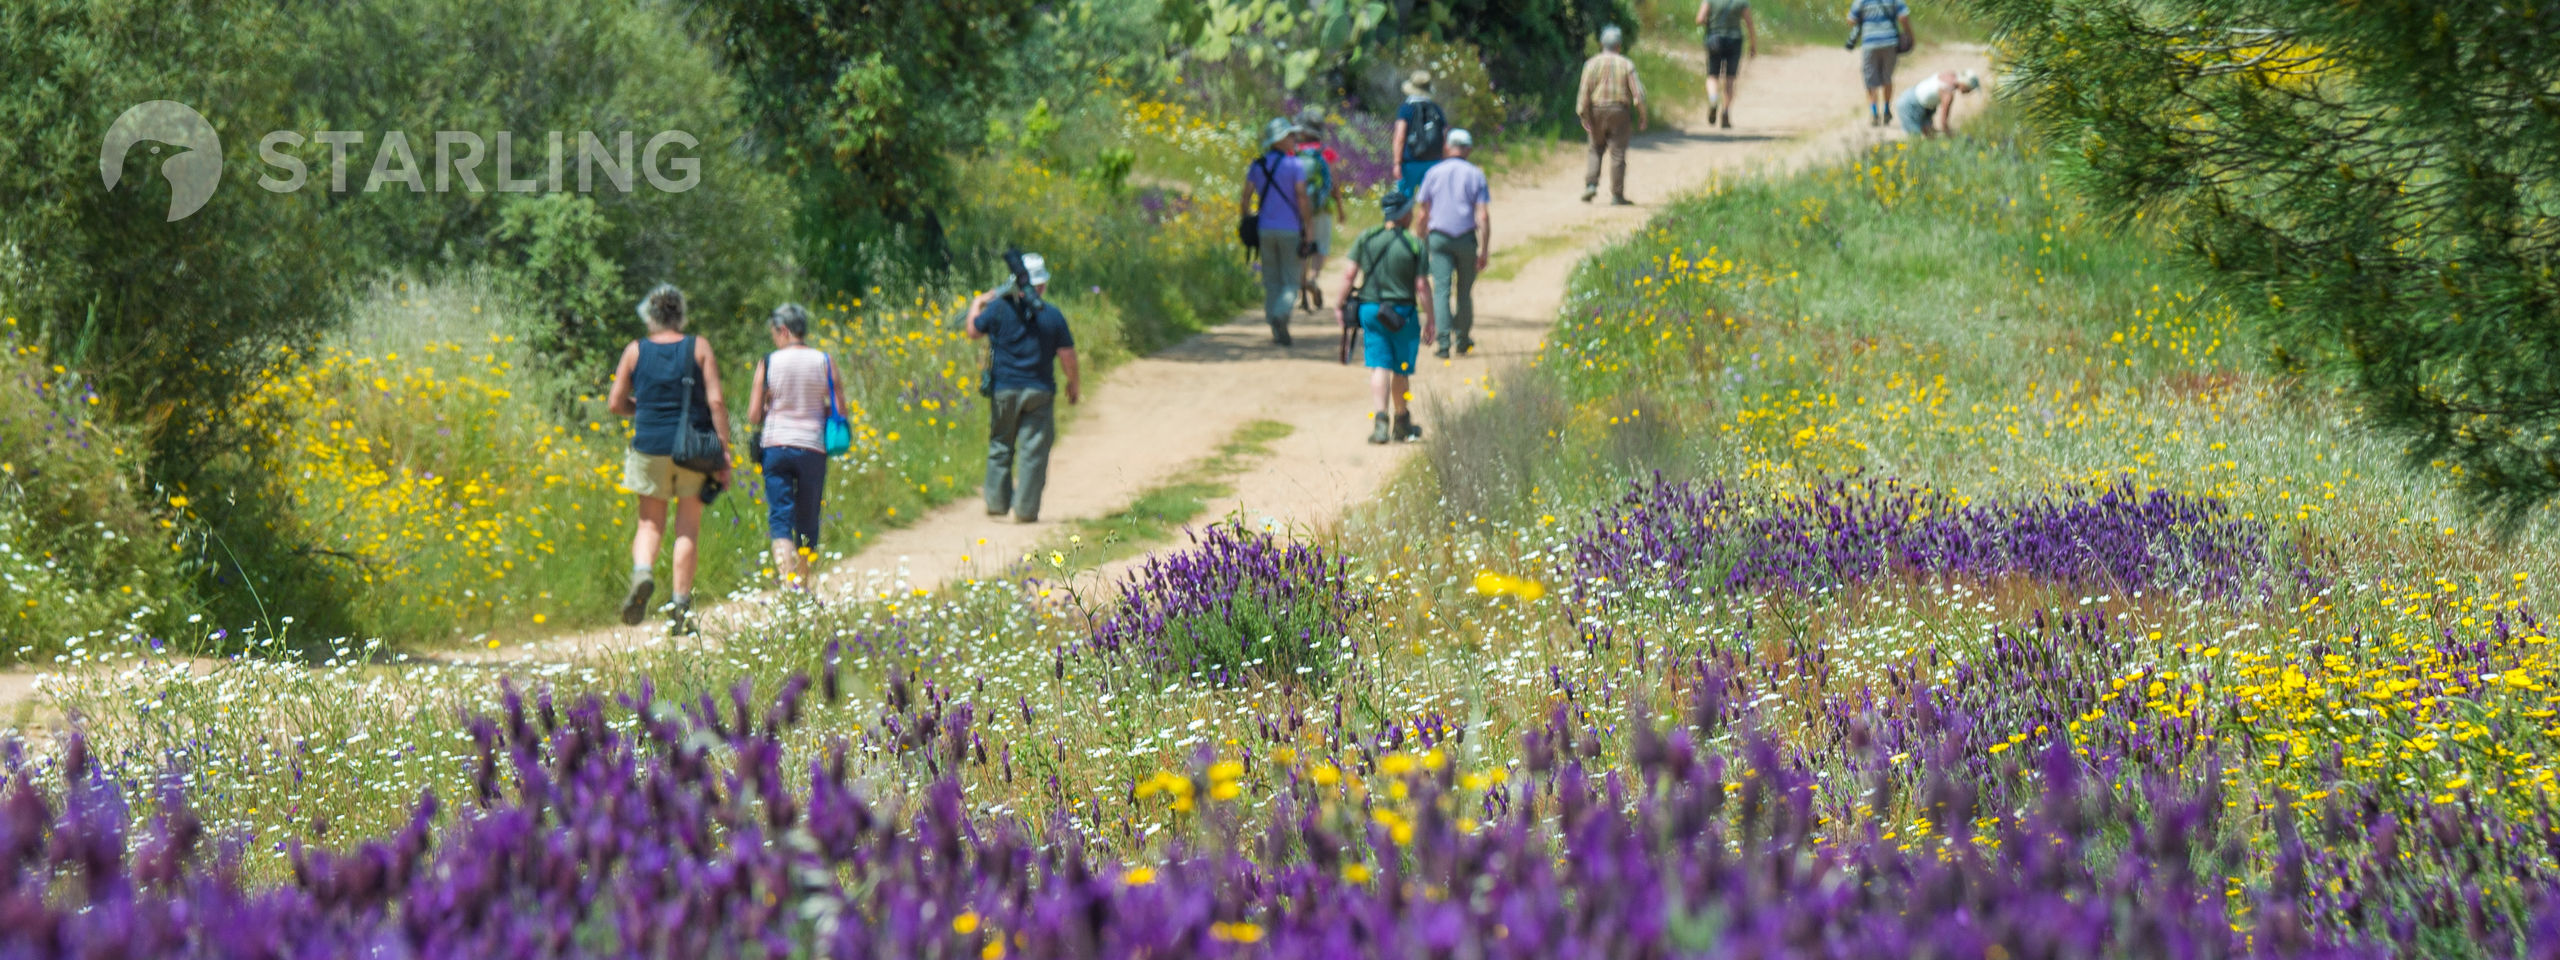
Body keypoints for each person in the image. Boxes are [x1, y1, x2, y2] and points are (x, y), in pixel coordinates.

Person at [607, 283, 735, 635]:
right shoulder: (699, 347)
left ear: (649, 315)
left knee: (649, 524)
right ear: (680, 314)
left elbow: (615, 403)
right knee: (687, 526)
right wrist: (723, 451)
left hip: (649, 446)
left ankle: (643, 573)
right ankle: (680, 609)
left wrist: (643, 408)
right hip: (692, 450)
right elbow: (717, 404)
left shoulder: (635, 351)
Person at [965, 253, 1081, 523]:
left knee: (1000, 445)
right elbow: (1067, 355)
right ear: (1042, 285)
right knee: (1033, 451)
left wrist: (977, 303)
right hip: (1039, 391)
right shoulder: (1052, 315)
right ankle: (1026, 511)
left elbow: (972, 331)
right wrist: (1073, 384)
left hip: (1004, 389)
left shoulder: (998, 308)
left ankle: (996, 504)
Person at [744, 302, 847, 594]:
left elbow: (753, 415)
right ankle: (803, 584)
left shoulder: (769, 361)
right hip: (812, 447)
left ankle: (788, 586)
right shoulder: (824, 361)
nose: (774, 338)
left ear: (784, 330)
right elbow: (840, 409)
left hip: (775, 446)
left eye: (775, 333)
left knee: (780, 517)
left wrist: (768, 406)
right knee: (808, 516)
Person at [1334, 191, 1435, 444]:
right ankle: (1402, 423)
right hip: (1403, 314)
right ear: (1403, 214)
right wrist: (1431, 318)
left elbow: (1349, 275)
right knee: (1400, 369)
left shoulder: (1367, 237)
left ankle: (1380, 422)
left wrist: (1339, 304)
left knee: (1379, 366)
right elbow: (1421, 286)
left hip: (1370, 310)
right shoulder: (1415, 244)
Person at [1412, 129, 1491, 359]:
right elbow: (1483, 216)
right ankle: (1463, 339)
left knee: (1441, 290)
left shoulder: (1433, 173)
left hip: (1438, 237)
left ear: (1447, 147)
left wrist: (1420, 241)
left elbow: (1422, 214)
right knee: (1464, 292)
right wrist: (1484, 249)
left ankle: (1444, 342)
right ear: (1468, 149)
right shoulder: (1476, 174)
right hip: (1466, 237)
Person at [1241, 117, 1313, 346]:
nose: (1294, 139)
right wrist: (1308, 227)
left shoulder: (1258, 165)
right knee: (1291, 281)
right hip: (1290, 228)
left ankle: (1275, 326)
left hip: (1264, 229)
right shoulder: (1294, 166)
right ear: (1281, 139)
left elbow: (1245, 197)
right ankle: (1281, 315)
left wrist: (1247, 218)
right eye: (1291, 135)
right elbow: (1301, 197)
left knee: (1271, 280)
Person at [1576, 25, 1648, 205]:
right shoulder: (1626, 64)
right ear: (1619, 46)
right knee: (1617, 153)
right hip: (1619, 112)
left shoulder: (1591, 64)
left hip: (1596, 110)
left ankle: (1591, 185)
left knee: (1595, 148)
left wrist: (1583, 115)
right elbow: (1638, 95)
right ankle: (1617, 195)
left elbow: (1584, 92)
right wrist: (1642, 115)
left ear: (1601, 44)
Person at [1294, 105, 1347, 314]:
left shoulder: (1294, 152)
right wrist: (1341, 210)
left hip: (1299, 209)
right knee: (1320, 247)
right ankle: (1314, 279)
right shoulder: (1327, 153)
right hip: (1322, 208)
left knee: (1302, 249)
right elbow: (1334, 184)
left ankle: (1302, 291)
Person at [1847, 0, 1912, 126]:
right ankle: (1887, 109)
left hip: (1870, 42)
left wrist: (1864, 18)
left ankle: (1874, 113)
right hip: (1890, 41)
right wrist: (1909, 34)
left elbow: (1851, 19)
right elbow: (1903, 17)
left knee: (1871, 80)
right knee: (1887, 77)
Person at [1696, 0, 1756, 129]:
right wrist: (1753, 45)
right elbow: (1749, 23)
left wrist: (1711, 24)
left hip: (1715, 39)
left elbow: (1699, 19)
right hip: (1734, 40)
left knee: (1712, 76)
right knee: (1730, 79)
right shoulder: (1741, 2)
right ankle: (1726, 112)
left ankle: (1713, 100)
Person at [1390, 70, 1448, 196]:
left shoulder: (1406, 109)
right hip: (1433, 162)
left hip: (1410, 162)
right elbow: (1444, 136)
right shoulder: (1436, 109)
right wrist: (1443, 159)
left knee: (1403, 201)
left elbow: (1400, 137)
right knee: (1430, 201)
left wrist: (1397, 163)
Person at [1897, 69, 1982, 138]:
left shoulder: (1951, 75)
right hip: (1910, 106)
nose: (1969, 92)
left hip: (1919, 102)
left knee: (1931, 136)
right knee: (1915, 139)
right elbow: (1944, 124)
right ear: (1965, 83)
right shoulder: (1948, 94)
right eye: (1970, 88)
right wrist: (1955, 137)